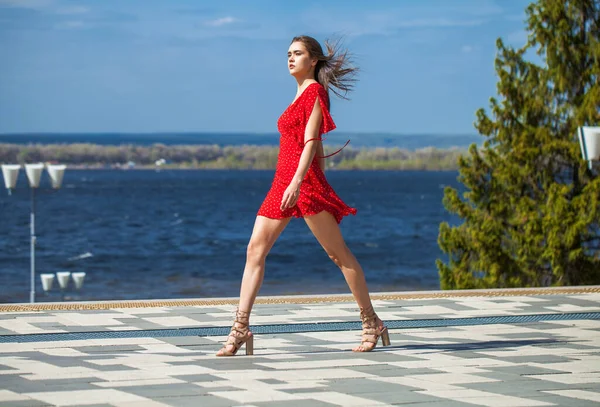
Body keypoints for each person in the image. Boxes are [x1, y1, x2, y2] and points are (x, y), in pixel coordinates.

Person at [216, 35, 390, 356]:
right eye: (288, 54)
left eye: (297, 54)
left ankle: (371, 323)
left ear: (313, 61)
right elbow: (315, 145)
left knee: (338, 255)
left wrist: (300, 181)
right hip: (281, 183)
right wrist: (291, 181)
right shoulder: (296, 95)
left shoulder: (315, 92)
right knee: (255, 249)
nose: (290, 59)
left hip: (301, 184)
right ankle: (240, 328)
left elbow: (311, 142)